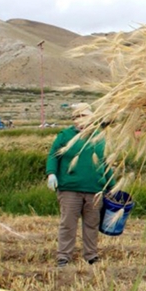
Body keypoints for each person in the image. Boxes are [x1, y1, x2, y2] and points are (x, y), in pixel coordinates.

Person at [46, 103, 115, 267]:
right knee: (68, 224)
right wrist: (51, 173)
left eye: (83, 116)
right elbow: (53, 155)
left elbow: (106, 162)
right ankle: (63, 256)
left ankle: (91, 255)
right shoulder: (65, 135)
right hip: (70, 188)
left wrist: (112, 186)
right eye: (77, 116)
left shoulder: (99, 137)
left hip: (95, 189)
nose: (80, 119)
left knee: (92, 224)